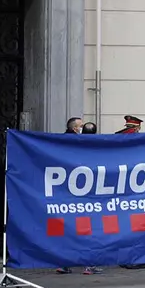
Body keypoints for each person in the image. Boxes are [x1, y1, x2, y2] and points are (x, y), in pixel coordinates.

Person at [57, 117, 102, 275]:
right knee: (88, 230)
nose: (84, 127)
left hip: (68, 196)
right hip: (83, 196)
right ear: (75, 129)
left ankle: (64, 263)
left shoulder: (60, 144)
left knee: (68, 230)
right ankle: (89, 265)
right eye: (81, 126)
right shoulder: (80, 145)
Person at [115, 114, 145, 269]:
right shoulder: (135, 139)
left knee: (124, 226)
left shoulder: (117, 137)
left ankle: (124, 258)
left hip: (120, 190)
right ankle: (132, 259)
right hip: (134, 190)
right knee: (135, 226)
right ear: (137, 127)